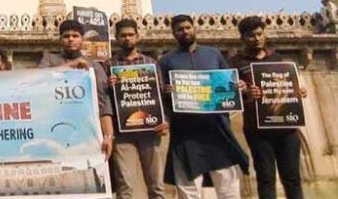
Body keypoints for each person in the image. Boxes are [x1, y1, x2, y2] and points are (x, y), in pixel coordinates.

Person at [160, 14, 249, 199]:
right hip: (185, 134)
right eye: (179, 29)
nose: (184, 32)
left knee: (228, 187)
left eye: (187, 27)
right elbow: (159, 98)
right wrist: (166, 91)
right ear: (173, 34)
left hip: (218, 130)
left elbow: (228, 86)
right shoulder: (167, 61)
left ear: (194, 28)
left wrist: (238, 86)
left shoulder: (213, 54)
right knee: (189, 190)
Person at [229, 16, 306, 199]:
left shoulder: (277, 59)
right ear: (243, 38)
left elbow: (285, 87)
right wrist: (246, 93)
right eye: (251, 35)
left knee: (292, 178)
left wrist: (297, 91)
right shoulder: (236, 63)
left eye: (259, 34)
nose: (256, 38)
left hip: (286, 127)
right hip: (258, 130)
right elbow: (230, 96)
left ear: (264, 34)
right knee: (266, 177)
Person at [105, 19, 169, 199]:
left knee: (156, 184)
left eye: (130, 35)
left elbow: (160, 94)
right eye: (123, 35)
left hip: (150, 129)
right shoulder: (110, 65)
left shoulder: (151, 63)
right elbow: (104, 99)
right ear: (116, 38)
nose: (127, 39)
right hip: (122, 131)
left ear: (137, 36)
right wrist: (110, 86)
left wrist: (164, 120)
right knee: (125, 184)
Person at [38, 19, 114, 160]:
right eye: (66, 36)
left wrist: (108, 136)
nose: (70, 40)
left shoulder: (94, 66)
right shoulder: (49, 60)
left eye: (75, 36)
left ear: (82, 39)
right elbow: (39, 79)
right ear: (60, 39)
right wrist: (73, 65)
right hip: (53, 128)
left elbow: (103, 104)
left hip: (86, 133)